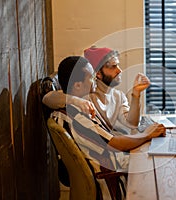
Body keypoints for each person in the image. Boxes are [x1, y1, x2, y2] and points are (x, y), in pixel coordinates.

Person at [50, 56, 165, 199]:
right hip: (110, 179)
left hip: (114, 163)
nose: (95, 80)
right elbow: (114, 144)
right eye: (91, 77)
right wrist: (147, 135)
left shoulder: (78, 105)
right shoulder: (76, 116)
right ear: (78, 85)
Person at [43, 46, 150, 133]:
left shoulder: (118, 96)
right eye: (113, 66)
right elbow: (48, 98)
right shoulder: (86, 92)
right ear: (97, 73)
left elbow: (132, 124)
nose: (119, 70)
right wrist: (77, 101)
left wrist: (136, 95)